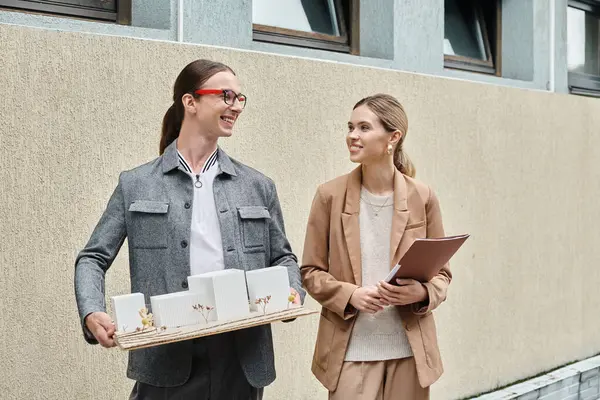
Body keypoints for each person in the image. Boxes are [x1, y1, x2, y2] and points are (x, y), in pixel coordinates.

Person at [74, 59, 304, 400]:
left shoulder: (258, 186)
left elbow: (284, 257)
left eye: (240, 98)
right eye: (226, 95)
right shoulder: (136, 184)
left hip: (241, 359)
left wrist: (292, 292)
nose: (235, 106)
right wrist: (93, 311)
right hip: (165, 358)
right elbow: (92, 257)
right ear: (190, 102)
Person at [300, 94, 451, 400]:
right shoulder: (329, 196)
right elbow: (310, 271)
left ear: (392, 137)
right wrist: (351, 295)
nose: (352, 136)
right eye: (350, 127)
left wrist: (421, 293)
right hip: (350, 351)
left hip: (410, 353)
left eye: (364, 128)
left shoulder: (422, 197)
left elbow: (442, 275)